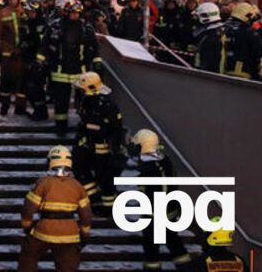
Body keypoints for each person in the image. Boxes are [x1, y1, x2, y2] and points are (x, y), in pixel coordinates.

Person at [18, 145, 92, 272]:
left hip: (43, 232)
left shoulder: (43, 183)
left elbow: (28, 210)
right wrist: (84, 235)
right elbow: (86, 217)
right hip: (70, 235)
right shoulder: (77, 186)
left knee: (28, 256)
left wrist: (27, 227)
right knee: (68, 266)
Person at [130, 129, 195, 271]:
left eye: (137, 145)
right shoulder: (163, 160)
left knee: (151, 248)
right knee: (173, 242)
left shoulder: (150, 167)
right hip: (168, 211)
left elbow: (151, 192)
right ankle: (187, 268)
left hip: (156, 214)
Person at [38, 1, 102, 136]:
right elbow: (44, 45)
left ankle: (85, 127)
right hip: (60, 72)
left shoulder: (87, 28)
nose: (75, 16)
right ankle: (60, 128)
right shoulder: (55, 26)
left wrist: (97, 63)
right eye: (72, 13)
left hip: (81, 72)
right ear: (67, 12)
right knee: (61, 102)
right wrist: (40, 62)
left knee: (85, 102)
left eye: (77, 13)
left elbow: (95, 48)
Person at [72, 72, 124, 216]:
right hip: (89, 147)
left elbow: (115, 129)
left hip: (103, 151)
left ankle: (108, 207)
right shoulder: (88, 102)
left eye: (82, 89)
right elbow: (85, 125)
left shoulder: (106, 105)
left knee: (105, 180)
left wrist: (114, 148)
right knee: (79, 168)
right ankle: (94, 199)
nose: (79, 92)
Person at [0, 0, 26, 116]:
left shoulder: (23, 12)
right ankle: (4, 105)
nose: (13, 1)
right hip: (7, 53)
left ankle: (20, 108)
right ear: (7, 0)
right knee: (5, 81)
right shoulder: (2, 13)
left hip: (21, 53)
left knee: (22, 82)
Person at [21, 0, 49, 121]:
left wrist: (30, 44)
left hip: (38, 63)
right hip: (28, 59)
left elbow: (42, 44)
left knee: (36, 88)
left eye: (31, 11)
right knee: (28, 87)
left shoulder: (42, 25)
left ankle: (41, 112)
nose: (28, 14)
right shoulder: (29, 23)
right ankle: (37, 110)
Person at [223, 2, 262, 80]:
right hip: (245, 72)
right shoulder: (250, 33)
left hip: (226, 69)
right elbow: (258, 53)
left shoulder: (227, 29)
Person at [194, 2, 226, 74]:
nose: (196, 20)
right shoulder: (218, 32)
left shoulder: (212, 36)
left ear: (206, 17)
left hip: (209, 76)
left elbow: (209, 61)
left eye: (198, 17)